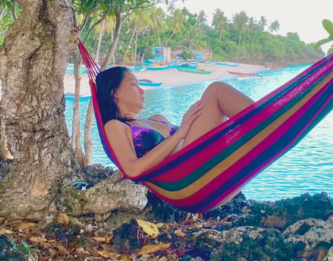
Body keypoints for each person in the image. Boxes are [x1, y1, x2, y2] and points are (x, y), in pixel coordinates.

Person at [96, 66, 253, 178]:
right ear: (115, 93)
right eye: (134, 85)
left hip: (201, 158)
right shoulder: (115, 126)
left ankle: (266, 125)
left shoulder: (157, 118)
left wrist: (186, 129)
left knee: (217, 91)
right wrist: (181, 132)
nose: (142, 90)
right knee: (216, 90)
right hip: (187, 175)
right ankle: (265, 119)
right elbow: (132, 170)